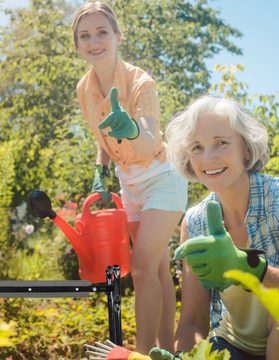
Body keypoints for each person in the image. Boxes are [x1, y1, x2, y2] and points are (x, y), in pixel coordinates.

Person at [163, 95, 279, 360]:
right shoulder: (195, 222)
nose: (208, 158)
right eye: (196, 147)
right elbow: (193, 321)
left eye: (221, 143)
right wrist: (185, 356)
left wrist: (251, 269)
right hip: (237, 346)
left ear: (246, 148)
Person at [72, 2, 188, 353]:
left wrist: (133, 127)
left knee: (140, 268)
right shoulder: (84, 89)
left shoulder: (141, 82)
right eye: (85, 35)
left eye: (102, 32)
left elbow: (151, 139)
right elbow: (102, 140)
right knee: (156, 272)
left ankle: (139, 354)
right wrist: (100, 171)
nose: (94, 41)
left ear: (118, 37)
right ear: (77, 45)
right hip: (129, 184)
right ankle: (168, 352)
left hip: (162, 178)